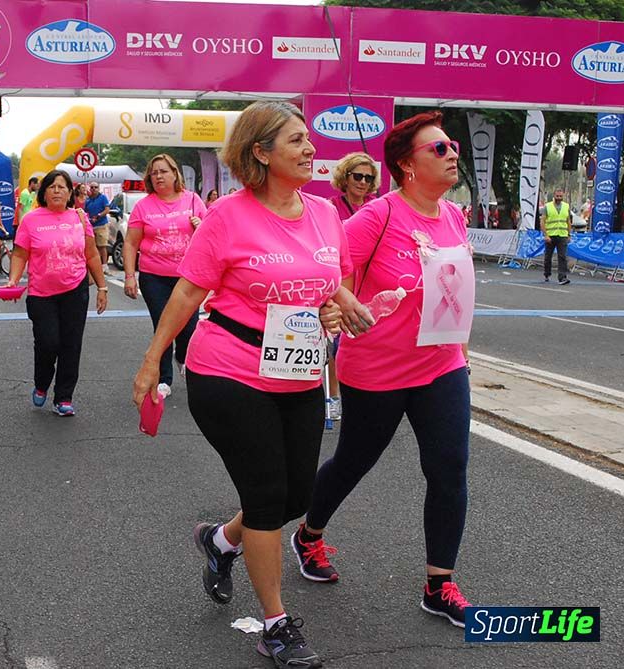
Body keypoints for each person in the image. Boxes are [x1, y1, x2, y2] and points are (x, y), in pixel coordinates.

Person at [132, 101, 348, 669]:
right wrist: (152, 361)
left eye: (309, 138)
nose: (309, 148)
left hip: (299, 373)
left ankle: (221, 540)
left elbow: (329, 283)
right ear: (261, 152)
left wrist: (333, 308)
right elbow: (187, 292)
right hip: (229, 371)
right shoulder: (227, 215)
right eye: (296, 140)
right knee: (267, 498)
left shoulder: (325, 213)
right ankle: (276, 625)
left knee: (296, 498)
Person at [295, 111, 476, 631]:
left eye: (452, 146)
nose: (452, 154)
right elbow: (324, 265)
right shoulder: (379, 215)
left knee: (449, 468)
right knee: (354, 460)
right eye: (439, 148)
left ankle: (439, 583)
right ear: (406, 165)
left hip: (442, 365)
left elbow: (455, 291)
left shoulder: (453, 216)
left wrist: (464, 351)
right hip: (377, 367)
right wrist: (345, 299)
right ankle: (309, 534)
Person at [5, 170, 108, 417]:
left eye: (62, 187)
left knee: (71, 345)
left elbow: (92, 254)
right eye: (52, 186)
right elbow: (20, 254)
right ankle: (42, 383)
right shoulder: (31, 220)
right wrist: (13, 280)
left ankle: (64, 397)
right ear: (44, 192)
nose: (57, 191)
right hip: (41, 293)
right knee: (48, 342)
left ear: (70, 192)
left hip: (75, 289)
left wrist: (102, 287)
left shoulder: (79, 218)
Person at [123, 153, 207, 398]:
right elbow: (130, 243)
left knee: (188, 326)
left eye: (163, 171)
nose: (158, 176)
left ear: (174, 174)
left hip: (188, 276)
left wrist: (200, 226)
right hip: (154, 277)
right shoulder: (143, 206)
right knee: (163, 325)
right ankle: (164, 378)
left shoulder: (193, 200)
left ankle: (182, 356)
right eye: (154, 173)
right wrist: (130, 276)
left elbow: (211, 233)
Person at [325, 151, 380, 420]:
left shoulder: (376, 208)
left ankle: (366, 393)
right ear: (345, 178)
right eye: (358, 176)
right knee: (336, 341)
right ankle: (334, 396)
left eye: (368, 178)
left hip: (369, 283)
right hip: (340, 280)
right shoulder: (331, 207)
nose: (363, 182)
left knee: (367, 339)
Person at [540, 188, 571, 285]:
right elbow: (542, 221)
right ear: (554, 196)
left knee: (562, 257)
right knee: (548, 257)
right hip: (550, 236)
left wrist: (569, 234)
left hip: (562, 235)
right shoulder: (547, 206)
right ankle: (547, 273)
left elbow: (568, 221)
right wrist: (546, 235)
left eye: (561, 196)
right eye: (557, 196)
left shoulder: (566, 206)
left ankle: (562, 277)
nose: (559, 198)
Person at [84, 182, 112, 274]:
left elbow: (107, 210)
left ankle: (104, 265)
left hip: (101, 225)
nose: (94, 189)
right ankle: (96, 265)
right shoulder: (87, 200)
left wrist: (99, 216)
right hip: (91, 226)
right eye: (92, 187)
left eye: (95, 187)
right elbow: (85, 212)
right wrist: (89, 219)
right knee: (93, 247)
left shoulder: (103, 197)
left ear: (98, 188)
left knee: (102, 246)